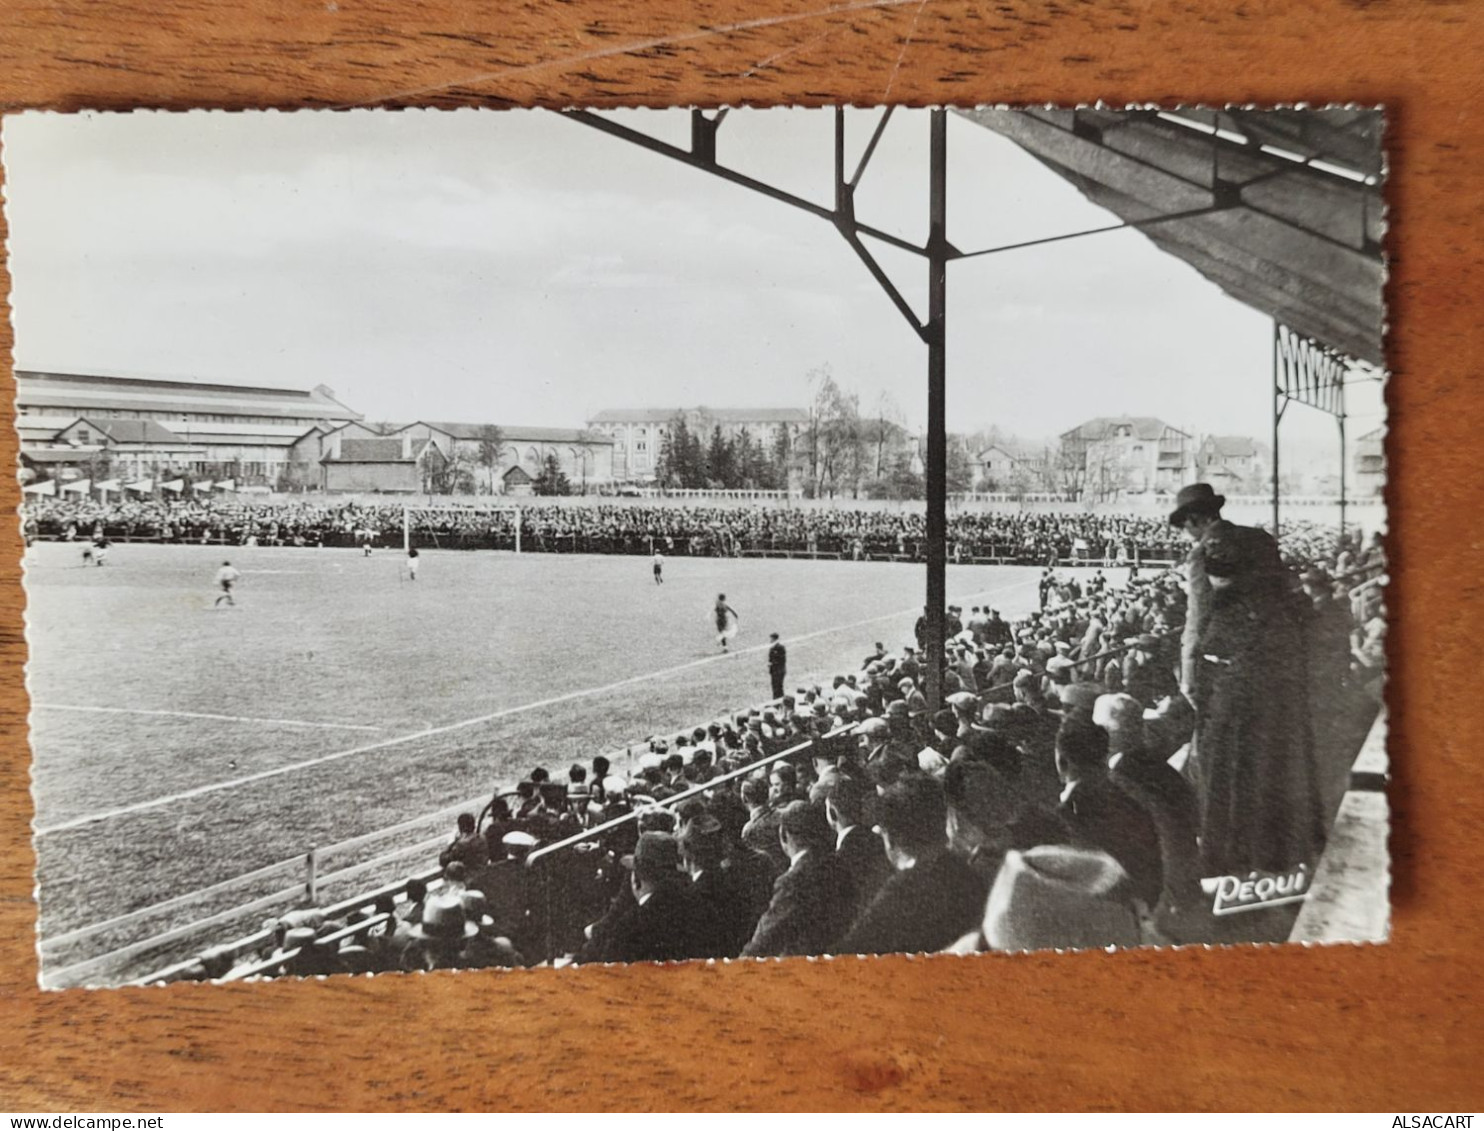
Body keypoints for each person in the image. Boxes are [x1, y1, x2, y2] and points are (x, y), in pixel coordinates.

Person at [767, 633, 787, 700]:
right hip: (774, 671)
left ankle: (779, 701)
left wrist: (772, 664)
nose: (770, 640)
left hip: (779, 671)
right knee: (775, 688)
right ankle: (777, 700)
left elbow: (782, 660)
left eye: (771, 638)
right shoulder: (772, 648)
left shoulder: (780, 647)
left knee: (778, 688)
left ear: (774, 638)